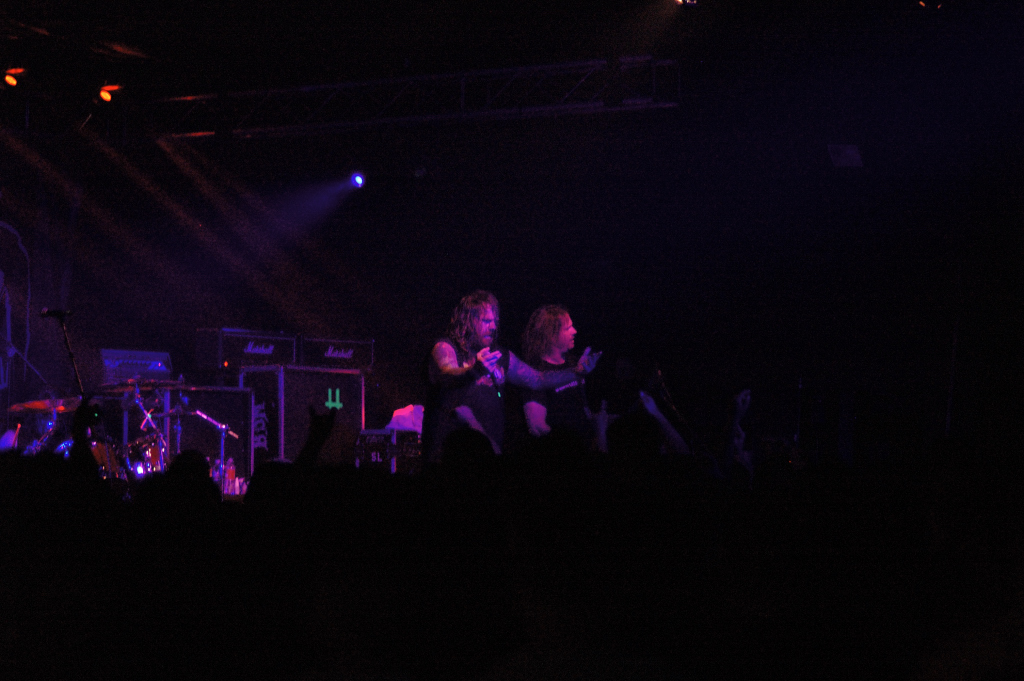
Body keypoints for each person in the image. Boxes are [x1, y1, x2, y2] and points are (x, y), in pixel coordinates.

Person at [423, 291, 600, 464]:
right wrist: (474, 370)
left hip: (489, 456)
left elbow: (537, 379)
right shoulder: (446, 347)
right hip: (446, 458)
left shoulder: (499, 355)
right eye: (486, 321)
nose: (493, 327)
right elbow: (446, 372)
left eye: (495, 321)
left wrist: (576, 372)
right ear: (468, 321)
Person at [520, 305, 594, 443]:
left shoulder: (573, 363)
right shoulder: (535, 373)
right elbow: (537, 427)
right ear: (551, 335)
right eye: (567, 328)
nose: (575, 331)